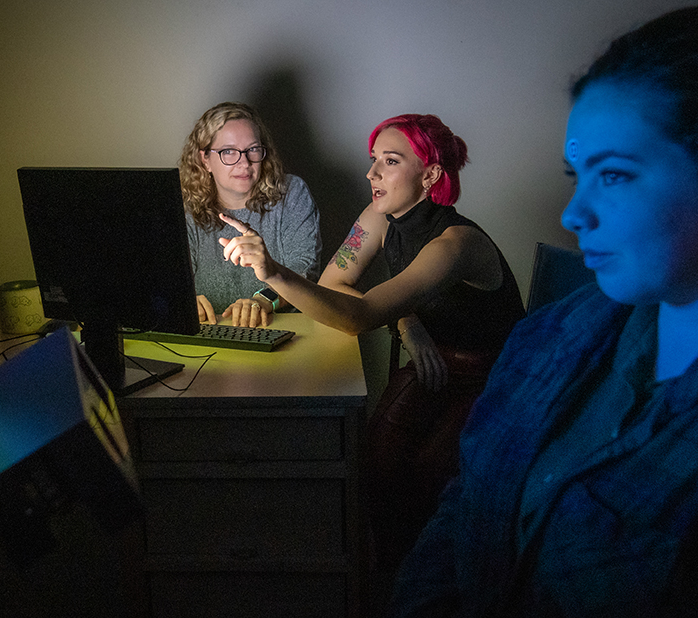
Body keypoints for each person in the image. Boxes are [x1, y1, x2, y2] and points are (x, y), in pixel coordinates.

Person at [388, 4, 698, 616]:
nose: (574, 215)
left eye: (616, 175)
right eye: (578, 175)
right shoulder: (550, 333)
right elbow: (464, 509)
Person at [219, 114, 526, 572]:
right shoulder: (378, 218)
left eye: (390, 161)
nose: (371, 173)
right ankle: (388, 578)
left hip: (495, 380)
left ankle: (421, 581)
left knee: (423, 478)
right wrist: (405, 321)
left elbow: (356, 316)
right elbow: (334, 281)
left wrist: (272, 271)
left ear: (431, 176)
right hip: (434, 365)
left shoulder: (456, 244)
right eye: (373, 160)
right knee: (377, 461)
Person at [178, 102, 321, 327]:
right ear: (205, 159)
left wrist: (263, 301)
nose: (244, 163)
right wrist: (183, 303)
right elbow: (173, 282)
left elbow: (304, 271)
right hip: (210, 336)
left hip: (282, 331)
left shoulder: (291, 192)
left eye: (252, 149)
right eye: (228, 152)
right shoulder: (185, 207)